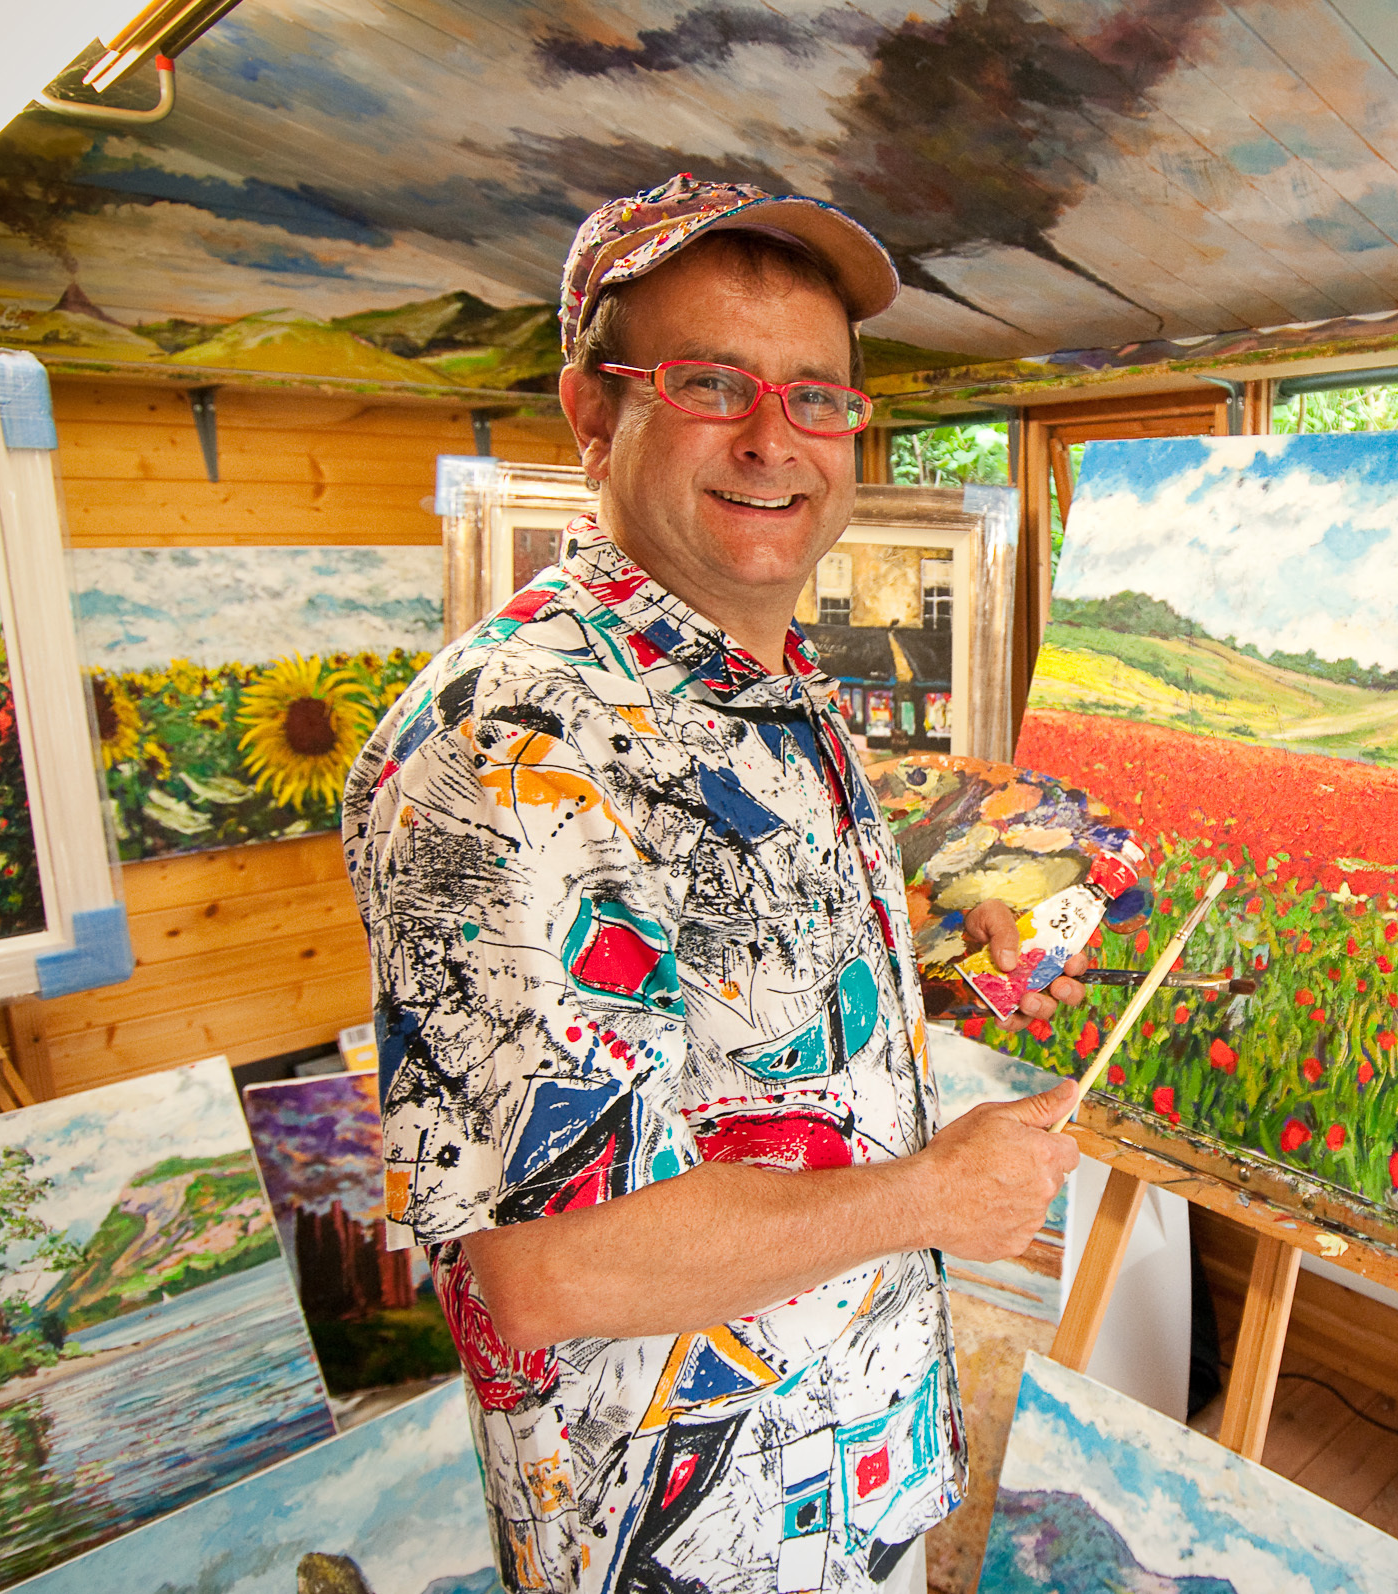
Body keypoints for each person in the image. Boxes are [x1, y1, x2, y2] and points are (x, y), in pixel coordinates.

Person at [342, 174, 1086, 1594]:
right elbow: (553, 1269)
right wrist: (935, 1192)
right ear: (590, 411)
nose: (773, 438)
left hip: (842, 1483)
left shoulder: (771, 691)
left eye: (818, 397)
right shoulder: (514, 739)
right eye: (709, 382)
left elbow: (741, 1041)